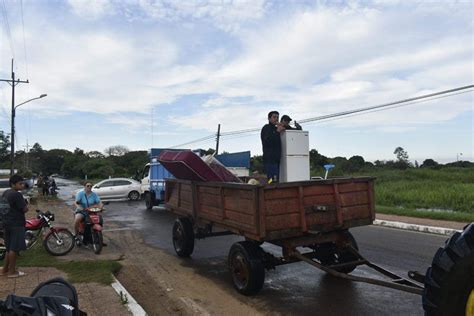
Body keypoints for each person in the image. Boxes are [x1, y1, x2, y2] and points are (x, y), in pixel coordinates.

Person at [1, 175, 29, 278]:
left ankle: (4, 270)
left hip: (6, 223)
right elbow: (24, 209)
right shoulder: (17, 195)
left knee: (8, 248)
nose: (22, 185)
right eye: (20, 184)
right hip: (16, 224)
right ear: (13, 184)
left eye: (22, 183)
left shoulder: (5, 193)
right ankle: (12, 272)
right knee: (14, 248)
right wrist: (27, 205)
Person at [261, 110, 285, 182]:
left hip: (277, 160)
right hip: (270, 160)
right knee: (272, 180)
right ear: (269, 118)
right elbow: (267, 142)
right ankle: (269, 192)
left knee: (277, 180)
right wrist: (277, 131)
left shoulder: (276, 128)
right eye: (274, 117)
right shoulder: (266, 128)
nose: (276, 119)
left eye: (277, 117)